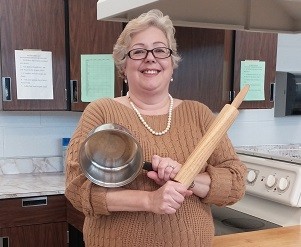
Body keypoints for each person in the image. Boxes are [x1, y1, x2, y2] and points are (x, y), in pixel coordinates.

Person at [65, 9, 247, 247]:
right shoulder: (101, 112)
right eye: (138, 51)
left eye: (160, 50)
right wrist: (150, 201)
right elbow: (76, 188)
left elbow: (235, 183)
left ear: (172, 63)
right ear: (123, 67)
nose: (150, 58)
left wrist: (187, 177)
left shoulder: (199, 114)